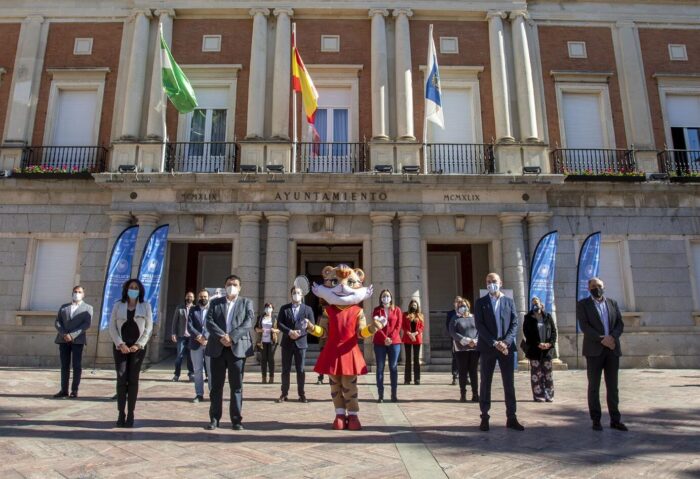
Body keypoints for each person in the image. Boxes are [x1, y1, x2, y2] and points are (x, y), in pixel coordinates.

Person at [474, 273, 524, 432]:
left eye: (493, 281)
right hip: (488, 348)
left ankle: (511, 417)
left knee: (508, 383)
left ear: (500, 283)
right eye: (488, 282)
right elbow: (480, 325)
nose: (491, 284)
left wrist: (506, 342)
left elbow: (515, 323)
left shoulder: (509, 302)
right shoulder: (481, 302)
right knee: (485, 383)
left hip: (506, 348)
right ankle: (484, 416)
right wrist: (494, 343)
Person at [204, 274, 254, 431]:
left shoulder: (246, 303)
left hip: (237, 349)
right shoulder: (215, 303)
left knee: (236, 387)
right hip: (217, 348)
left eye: (235, 284)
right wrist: (222, 336)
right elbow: (209, 321)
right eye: (229, 284)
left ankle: (236, 420)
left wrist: (231, 337)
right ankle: (214, 418)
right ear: (224, 286)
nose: (231, 286)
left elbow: (248, 322)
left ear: (240, 287)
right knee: (216, 387)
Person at [577, 277, 627, 432]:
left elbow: (619, 323)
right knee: (594, 386)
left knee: (613, 387)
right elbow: (584, 326)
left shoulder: (612, 303)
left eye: (598, 285)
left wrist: (612, 337)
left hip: (612, 348)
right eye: (593, 286)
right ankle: (596, 420)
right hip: (594, 350)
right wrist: (602, 339)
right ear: (588, 288)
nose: (596, 288)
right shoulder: (583, 304)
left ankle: (615, 419)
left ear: (604, 287)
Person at [108, 279, 153, 427]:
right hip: (121, 347)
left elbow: (148, 328)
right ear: (126, 289)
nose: (133, 289)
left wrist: (139, 345)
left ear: (140, 290)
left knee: (133, 380)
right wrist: (120, 343)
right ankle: (121, 413)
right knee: (121, 379)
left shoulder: (145, 306)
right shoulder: (118, 305)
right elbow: (112, 326)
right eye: (131, 287)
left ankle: (131, 413)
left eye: (136, 287)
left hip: (137, 348)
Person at [53, 285, 93, 399]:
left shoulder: (88, 308)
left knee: (76, 365)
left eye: (79, 292)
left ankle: (74, 390)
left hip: (78, 340)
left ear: (83, 294)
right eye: (75, 291)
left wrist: (72, 335)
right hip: (63, 339)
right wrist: (64, 334)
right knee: (64, 365)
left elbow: (86, 324)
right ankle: (63, 390)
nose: (77, 294)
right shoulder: (64, 307)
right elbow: (57, 322)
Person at [277, 287, 315, 403]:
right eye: (294, 293)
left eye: (298, 293)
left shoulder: (307, 309)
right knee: (285, 370)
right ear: (291, 294)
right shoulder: (284, 308)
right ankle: (284, 393)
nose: (296, 295)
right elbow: (279, 323)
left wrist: (300, 333)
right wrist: (289, 332)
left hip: (301, 343)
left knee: (301, 370)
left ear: (302, 295)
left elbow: (312, 326)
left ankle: (301, 394)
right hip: (287, 343)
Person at [522, 296, 557, 402]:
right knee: (536, 373)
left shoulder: (547, 316)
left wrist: (549, 344)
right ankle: (538, 395)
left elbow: (553, 332)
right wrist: (538, 344)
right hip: (534, 350)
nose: (535, 305)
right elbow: (527, 333)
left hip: (547, 350)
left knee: (548, 373)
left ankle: (549, 394)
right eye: (533, 303)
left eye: (537, 303)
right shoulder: (528, 317)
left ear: (542, 305)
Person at [372, 289, 403, 403]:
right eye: (384, 296)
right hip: (380, 342)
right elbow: (376, 325)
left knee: (393, 368)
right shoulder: (377, 310)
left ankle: (394, 394)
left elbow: (398, 326)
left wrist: (390, 338)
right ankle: (381, 394)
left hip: (394, 342)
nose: (386, 298)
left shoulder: (397, 310)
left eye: (387, 296)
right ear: (380, 298)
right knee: (380, 368)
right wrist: (385, 338)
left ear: (391, 297)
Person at [449, 298, 479, 403]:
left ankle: (475, 394)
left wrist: (475, 340)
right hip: (461, 348)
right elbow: (452, 331)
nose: (462, 307)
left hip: (474, 348)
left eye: (464, 305)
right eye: (460, 305)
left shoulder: (474, 317)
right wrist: (465, 340)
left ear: (468, 306)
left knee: (473, 371)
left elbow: (480, 330)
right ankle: (463, 394)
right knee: (462, 371)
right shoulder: (455, 318)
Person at [188, 289, 211, 403]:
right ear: (198, 298)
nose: (203, 298)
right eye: (201, 297)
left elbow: (213, 324)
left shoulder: (213, 309)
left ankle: (213, 394)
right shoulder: (193, 309)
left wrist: (205, 337)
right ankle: (199, 394)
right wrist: (199, 336)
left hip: (209, 344)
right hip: (195, 343)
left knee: (211, 370)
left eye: (205, 296)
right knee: (197, 370)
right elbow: (189, 325)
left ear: (209, 297)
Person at [170, 291, 195, 382]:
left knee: (191, 357)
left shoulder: (195, 308)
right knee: (179, 356)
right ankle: (176, 375)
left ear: (194, 298)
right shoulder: (179, 308)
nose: (189, 298)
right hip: (181, 336)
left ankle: (191, 374)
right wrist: (173, 333)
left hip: (192, 337)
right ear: (185, 297)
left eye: (191, 297)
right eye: (188, 296)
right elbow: (174, 322)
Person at [254, 303, 279, 384]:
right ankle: (264, 377)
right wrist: (260, 330)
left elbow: (279, 329)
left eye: (270, 307)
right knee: (263, 360)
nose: (268, 309)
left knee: (271, 359)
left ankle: (271, 377)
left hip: (272, 341)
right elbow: (255, 328)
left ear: (272, 309)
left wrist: (273, 330)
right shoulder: (260, 317)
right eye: (267, 307)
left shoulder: (275, 318)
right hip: (262, 341)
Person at [401, 299, 424, 385]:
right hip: (408, 337)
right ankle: (407, 379)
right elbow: (403, 325)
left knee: (416, 359)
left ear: (417, 306)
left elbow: (422, 327)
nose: (413, 307)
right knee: (408, 359)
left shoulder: (420, 315)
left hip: (416, 338)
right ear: (410, 306)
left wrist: (416, 333)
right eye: (412, 305)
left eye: (415, 305)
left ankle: (417, 379)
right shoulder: (405, 314)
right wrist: (409, 333)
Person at [445, 296, 463, 386]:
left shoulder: (465, 313)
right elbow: (448, 326)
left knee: (465, 358)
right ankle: (455, 376)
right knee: (455, 357)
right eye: (457, 301)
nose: (458, 303)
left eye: (460, 301)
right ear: (454, 303)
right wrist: (453, 336)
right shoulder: (450, 313)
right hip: (454, 339)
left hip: (464, 339)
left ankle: (464, 377)